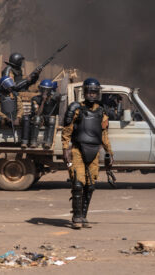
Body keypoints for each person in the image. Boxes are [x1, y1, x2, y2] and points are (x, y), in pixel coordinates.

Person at [61, 78, 113, 229]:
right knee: (77, 184)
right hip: (77, 150)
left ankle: (83, 216)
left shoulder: (101, 112)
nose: (91, 94)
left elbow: (104, 134)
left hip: (95, 152)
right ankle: (76, 217)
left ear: (98, 93)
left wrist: (110, 153)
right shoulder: (76, 109)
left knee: (90, 186)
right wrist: (65, 149)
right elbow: (67, 130)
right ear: (84, 93)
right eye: (89, 91)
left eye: (94, 92)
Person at [0, 76, 29, 147]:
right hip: (4, 119)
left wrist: (18, 117)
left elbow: (20, 109)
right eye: (8, 87)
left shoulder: (16, 95)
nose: (10, 88)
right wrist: (6, 118)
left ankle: (24, 141)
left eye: (10, 86)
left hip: (15, 118)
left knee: (26, 119)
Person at [29, 79, 61, 148]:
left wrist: (59, 102)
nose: (45, 92)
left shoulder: (54, 100)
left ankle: (48, 142)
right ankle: (33, 141)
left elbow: (58, 112)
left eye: (47, 90)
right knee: (37, 118)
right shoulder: (36, 99)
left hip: (49, 120)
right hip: (40, 119)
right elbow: (38, 113)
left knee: (52, 119)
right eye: (43, 89)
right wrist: (43, 101)